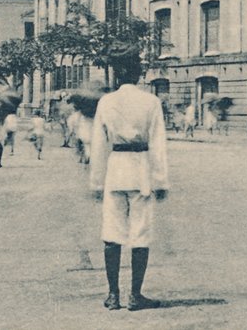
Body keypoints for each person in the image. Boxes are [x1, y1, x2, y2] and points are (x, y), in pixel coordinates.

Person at [89, 54, 169, 312]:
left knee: (111, 233)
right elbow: (158, 144)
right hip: (141, 170)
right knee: (140, 233)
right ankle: (135, 295)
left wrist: (96, 182)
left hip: (115, 170)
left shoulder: (107, 101)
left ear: (117, 75)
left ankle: (113, 295)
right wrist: (160, 181)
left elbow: (99, 144)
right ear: (139, 75)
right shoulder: (150, 101)